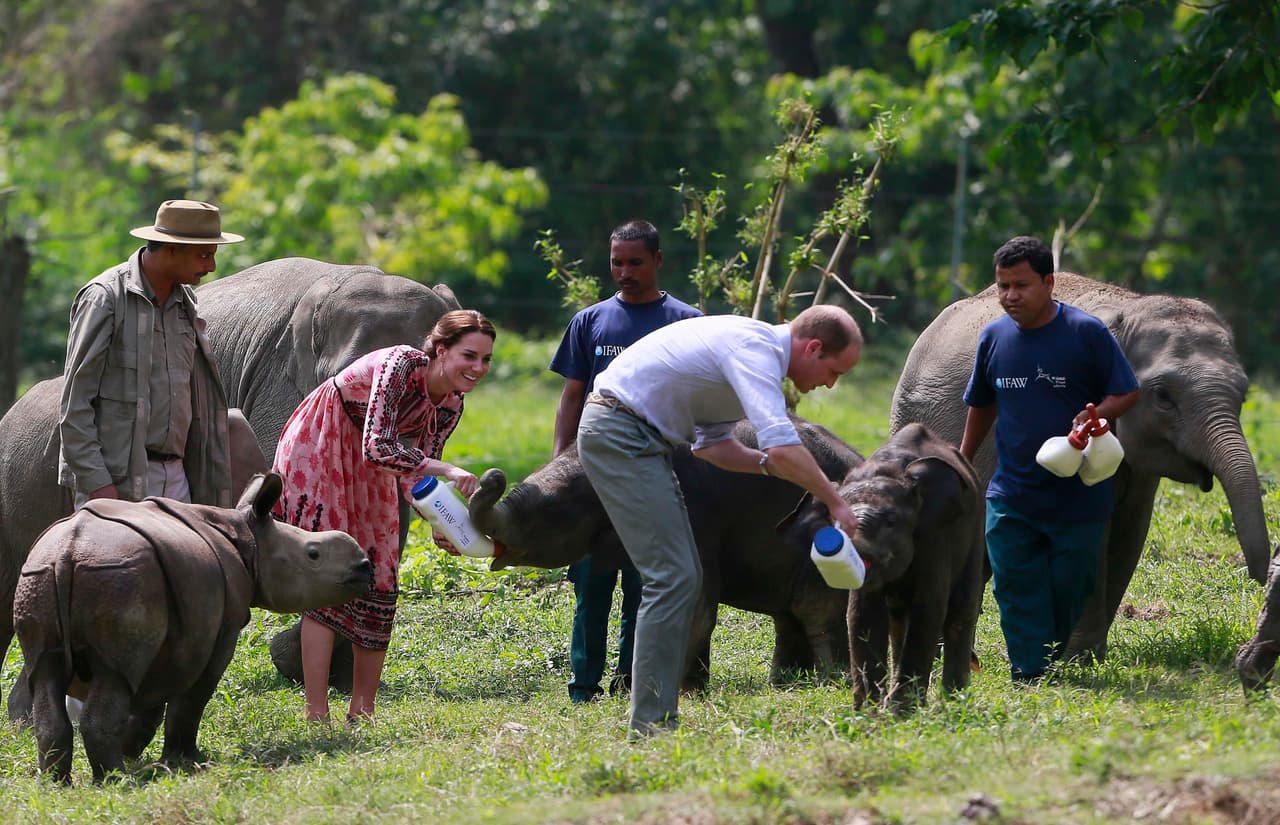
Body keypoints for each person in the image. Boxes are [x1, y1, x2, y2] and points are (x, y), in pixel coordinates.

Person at [577, 304, 863, 737]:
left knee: (681, 576)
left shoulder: (747, 355)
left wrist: (768, 465)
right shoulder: (756, 350)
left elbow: (713, 448)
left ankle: (654, 717)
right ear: (814, 347)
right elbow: (783, 443)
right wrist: (836, 502)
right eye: (833, 370)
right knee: (672, 578)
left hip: (643, 439)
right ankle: (651, 727)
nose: (830, 383)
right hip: (621, 432)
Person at [272, 309, 495, 722]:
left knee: (381, 573)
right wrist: (445, 469)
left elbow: (418, 477)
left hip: (371, 463)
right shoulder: (401, 364)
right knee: (329, 572)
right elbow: (378, 446)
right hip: (324, 441)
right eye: (469, 356)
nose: (478, 368)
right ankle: (315, 712)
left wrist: (442, 523)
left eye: (485, 360)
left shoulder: (450, 404)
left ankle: (364, 710)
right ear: (440, 350)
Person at [959, 236, 1139, 682]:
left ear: (1049, 283)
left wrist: (1101, 413)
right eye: (1002, 286)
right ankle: (1028, 670)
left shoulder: (1086, 333)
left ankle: (1046, 651)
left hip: (1079, 495)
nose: (1009, 296)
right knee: (1015, 587)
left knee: (1071, 586)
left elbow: (1127, 390)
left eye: (1020, 285)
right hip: (1012, 492)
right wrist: (963, 459)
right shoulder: (994, 337)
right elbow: (982, 404)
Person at [550, 220, 701, 704]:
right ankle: (582, 688)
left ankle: (633, 681)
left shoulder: (685, 320)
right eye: (617, 262)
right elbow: (572, 396)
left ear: (658, 260)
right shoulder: (589, 322)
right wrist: (559, 465)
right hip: (592, 474)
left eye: (635, 262)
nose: (624, 271)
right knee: (591, 586)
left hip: (659, 469)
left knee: (646, 584)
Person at [59, 199, 243, 510]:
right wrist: (98, 484)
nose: (211, 267)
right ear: (171, 249)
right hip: (118, 482)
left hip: (178, 479)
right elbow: (75, 405)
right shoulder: (105, 299)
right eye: (204, 255)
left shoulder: (186, 306)